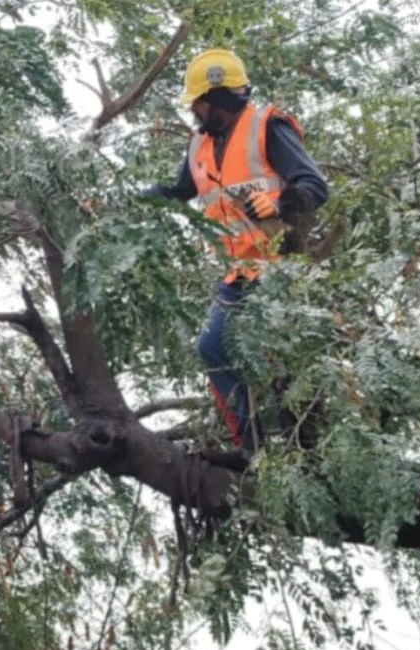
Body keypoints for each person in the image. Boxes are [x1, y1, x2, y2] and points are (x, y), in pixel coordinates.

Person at [145, 48, 330, 457]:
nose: (194, 110)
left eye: (199, 101)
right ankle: (253, 445)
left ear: (219, 97)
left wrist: (281, 202)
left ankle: (298, 443)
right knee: (212, 346)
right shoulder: (199, 145)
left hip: (282, 268)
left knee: (275, 355)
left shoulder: (267, 126)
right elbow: (180, 192)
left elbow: (315, 186)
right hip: (239, 273)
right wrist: (144, 201)